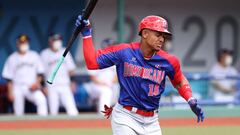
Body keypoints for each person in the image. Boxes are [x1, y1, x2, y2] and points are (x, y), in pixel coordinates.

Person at [76, 15, 204, 135]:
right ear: (145, 33)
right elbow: (92, 62)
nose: (161, 39)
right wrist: (87, 34)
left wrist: (190, 99)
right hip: (125, 116)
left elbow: (179, 81)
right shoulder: (124, 52)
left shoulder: (169, 61)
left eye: (163, 36)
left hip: (152, 121)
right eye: (158, 34)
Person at [2, 34, 48, 116]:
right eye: (22, 43)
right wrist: (10, 92)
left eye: (25, 42)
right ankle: (18, 127)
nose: (24, 45)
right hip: (17, 87)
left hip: (31, 86)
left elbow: (40, 73)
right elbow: (9, 78)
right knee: (18, 111)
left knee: (41, 100)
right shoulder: (12, 58)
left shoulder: (34, 55)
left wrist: (37, 83)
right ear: (17, 44)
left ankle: (43, 123)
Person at [40, 34, 78, 116]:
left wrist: (73, 82)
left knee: (72, 111)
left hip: (65, 85)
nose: (57, 42)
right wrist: (43, 86)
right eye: (55, 40)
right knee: (53, 112)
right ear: (50, 41)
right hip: (51, 86)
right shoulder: (44, 54)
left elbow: (71, 70)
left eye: (58, 40)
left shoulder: (65, 51)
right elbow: (41, 73)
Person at [83, 38, 119, 114]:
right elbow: (93, 78)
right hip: (96, 86)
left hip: (111, 85)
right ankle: (102, 115)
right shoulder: (96, 57)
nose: (112, 48)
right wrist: (105, 84)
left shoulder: (116, 58)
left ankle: (115, 113)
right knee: (106, 91)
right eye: (110, 46)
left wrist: (111, 83)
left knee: (118, 89)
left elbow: (117, 76)